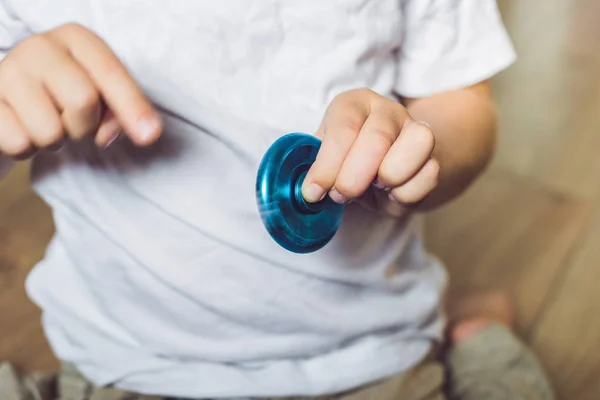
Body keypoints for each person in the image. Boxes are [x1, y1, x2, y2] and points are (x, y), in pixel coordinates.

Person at [0, 1, 554, 399]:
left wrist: (418, 151)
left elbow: (460, 102)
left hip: (368, 353)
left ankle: (483, 344)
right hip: (128, 359)